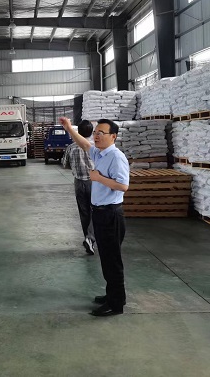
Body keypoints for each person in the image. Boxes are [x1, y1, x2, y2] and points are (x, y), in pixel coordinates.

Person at [60, 117, 129, 317]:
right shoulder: (99, 153)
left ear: (113, 136)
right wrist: (69, 128)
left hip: (111, 215)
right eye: (96, 132)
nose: (96, 135)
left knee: (112, 261)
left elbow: (123, 185)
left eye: (101, 133)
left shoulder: (116, 157)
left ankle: (116, 304)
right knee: (106, 259)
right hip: (100, 213)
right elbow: (84, 144)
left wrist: (99, 178)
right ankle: (113, 295)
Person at [66, 120, 96, 255]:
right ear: (91, 132)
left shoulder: (71, 147)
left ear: (78, 131)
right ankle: (90, 238)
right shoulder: (95, 147)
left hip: (78, 183)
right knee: (96, 210)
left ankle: (88, 239)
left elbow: (65, 164)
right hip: (94, 182)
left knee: (84, 212)